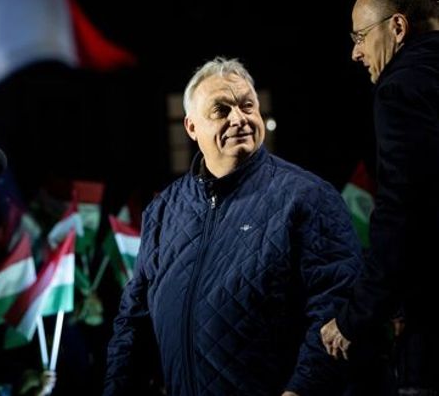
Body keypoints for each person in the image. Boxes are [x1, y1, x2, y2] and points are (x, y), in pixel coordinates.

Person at [104, 57, 362, 395]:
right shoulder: (163, 210)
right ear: (191, 127)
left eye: (247, 106)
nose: (238, 118)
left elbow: (336, 305)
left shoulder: (307, 197)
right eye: (221, 110)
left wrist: (302, 389)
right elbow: (133, 320)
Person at [320, 0, 439, 393]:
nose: (355, 53)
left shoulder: (401, 89)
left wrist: (355, 318)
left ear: (398, 27)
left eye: (359, 37)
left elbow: (403, 214)